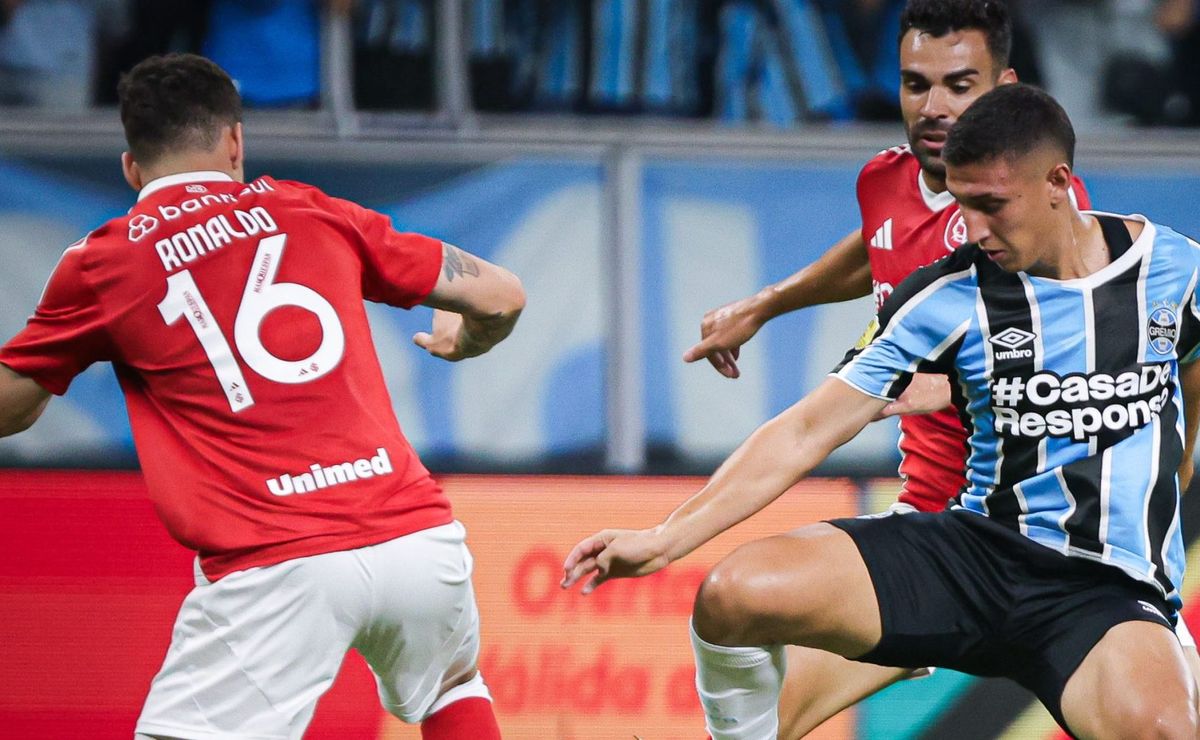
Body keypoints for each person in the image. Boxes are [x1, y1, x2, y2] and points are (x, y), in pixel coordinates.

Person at [565, 82, 1200, 739]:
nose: (974, 230)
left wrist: (1177, 467)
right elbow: (809, 427)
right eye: (962, 205)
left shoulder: (1174, 269)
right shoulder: (946, 296)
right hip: (969, 558)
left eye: (991, 206)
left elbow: (1192, 357)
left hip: (1098, 592)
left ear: (1057, 182)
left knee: (1165, 731)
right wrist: (664, 539)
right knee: (733, 593)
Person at [0, 53, 522, 738]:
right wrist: (467, 337)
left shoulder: (104, 261)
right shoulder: (308, 208)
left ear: (131, 168)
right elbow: (499, 295)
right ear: (235, 142)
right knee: (452, 686)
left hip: (275, 564)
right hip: (413, 535)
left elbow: (15, 403)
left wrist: (41, 377)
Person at [681, 1, 1113, 735]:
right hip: (934, 545)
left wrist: (954, 382)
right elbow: (877, 245)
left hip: (1057, 554)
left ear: (1005, 88)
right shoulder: (886, 181)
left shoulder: (1041, 210)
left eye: (960, 85)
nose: (936, 108)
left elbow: (1085, 343)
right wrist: (768, 304)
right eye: (917, 85)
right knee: (758, 718)